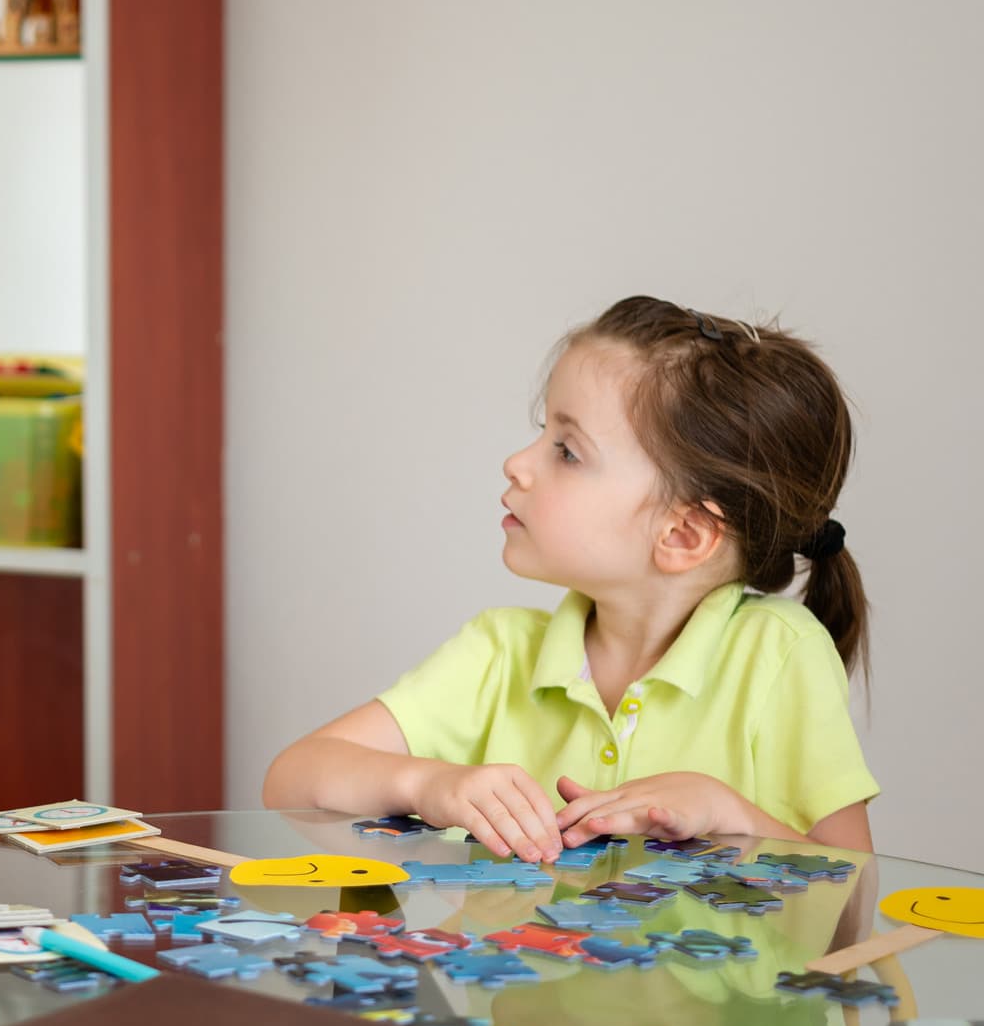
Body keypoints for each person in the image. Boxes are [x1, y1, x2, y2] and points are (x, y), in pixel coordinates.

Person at [265, 295, 877, 858]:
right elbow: (292, 778)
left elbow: (854, 890)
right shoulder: (498, 651)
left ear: (682, 535)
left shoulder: (778, 655)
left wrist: (727, 812)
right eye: (543, 432)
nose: (517, 463)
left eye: (567, 450)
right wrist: (429, 783)